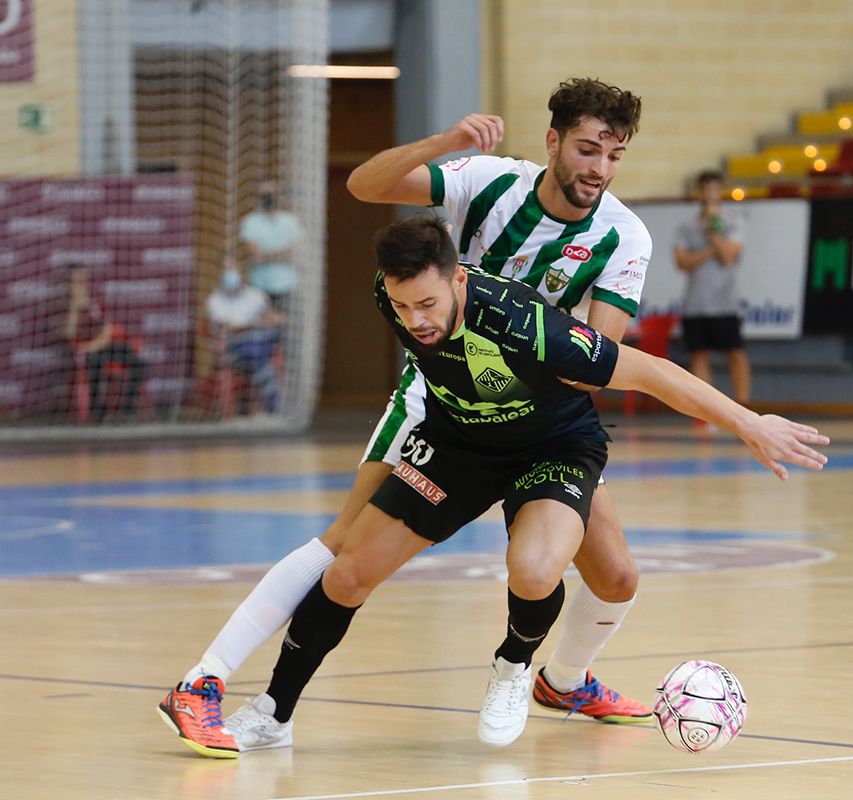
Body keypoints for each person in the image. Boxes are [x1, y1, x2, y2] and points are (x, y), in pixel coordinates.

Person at [161, 216, 828, 754]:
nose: (416, 318)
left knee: (537, 570)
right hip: (459, 444)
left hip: (553, 446)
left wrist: (747, 422)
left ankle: (515, 668)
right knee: (347, 573)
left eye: (428, 302)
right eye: (402, 305)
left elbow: (648, 371)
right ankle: (274, 712)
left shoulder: (524, 322)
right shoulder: (389, 297)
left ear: (458, 278)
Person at [159, 77, 658, 758]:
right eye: (587, 149)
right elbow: (367, 185)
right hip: (442, 398)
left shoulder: (624, 236)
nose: (598, 167)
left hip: (535, 416)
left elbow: (595, 357)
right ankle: (205, 682)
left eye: (613, 154)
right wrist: (450, 143)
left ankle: (563, 680)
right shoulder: (488, 181)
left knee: (617, 577)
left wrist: (517, 329)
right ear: (553, 142)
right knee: (345, 547)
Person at [672, 171, 751, 404]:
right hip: (696, 303)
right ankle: (705, 409)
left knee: (735, 353)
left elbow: (728, 256)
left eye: (714, 189)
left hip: (724, 302)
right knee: (699, 354)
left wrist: (712, 231)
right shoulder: (686, 225)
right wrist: (710, 250)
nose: (709, 195)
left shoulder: (734, 221)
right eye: (705, 190)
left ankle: (743, 405)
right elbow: (682, 262)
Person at [62, 263, 146, 422]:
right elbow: (69, 334)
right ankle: (98, 412)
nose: (82, 284)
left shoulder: (96, 299)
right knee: (94, 363)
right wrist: (75, 307)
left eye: (84, 280)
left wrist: (95, 345)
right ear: (69, 282)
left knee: (139, 363)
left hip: (100, 346)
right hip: (83, 352)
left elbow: (108, 329)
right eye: (77, 281)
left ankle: (128, 410)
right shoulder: (64, 303)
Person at [205, 256, 284, 413]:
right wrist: (255, 323)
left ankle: (269, 403)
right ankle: (272, 405)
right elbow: (229, 328)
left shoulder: (255, 295)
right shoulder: (214, 300)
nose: (230, 274)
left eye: (233, 269)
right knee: (253, 347)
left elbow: (274, 319)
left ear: (241, 272)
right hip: (233, 349)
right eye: (226, 270)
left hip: (262, 343)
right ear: (219, 274)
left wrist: (269, 320)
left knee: (261, 342)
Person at [239, 180, 303, 312]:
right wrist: (283, 254)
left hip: (288, 285)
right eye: (265, 194)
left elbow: (296, 253)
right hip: (259, 287)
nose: (269, 198)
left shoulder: (291, 221)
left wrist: (267, 254)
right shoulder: (251, 221)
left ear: (280, 195)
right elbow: (257, 256)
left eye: (273, 193)